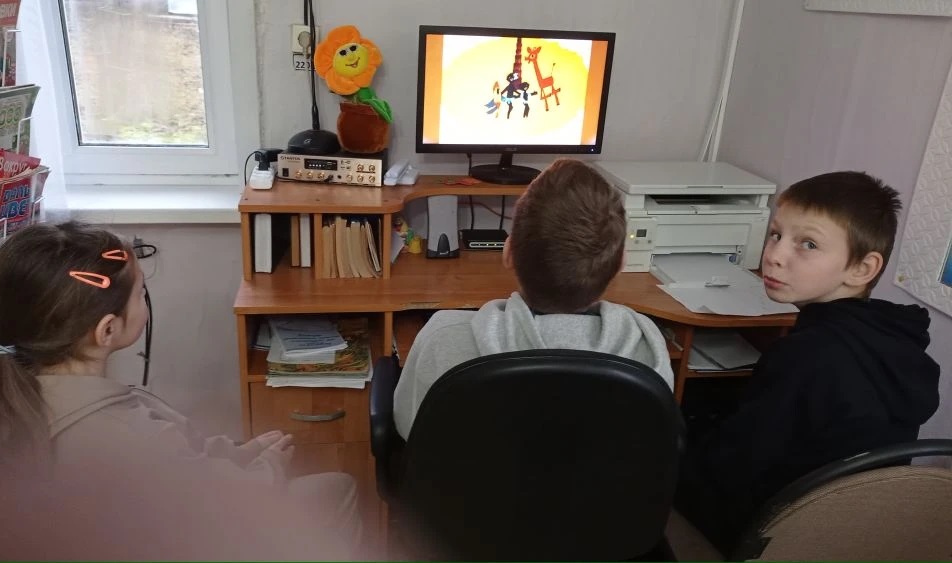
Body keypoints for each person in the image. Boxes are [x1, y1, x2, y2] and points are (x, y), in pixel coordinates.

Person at [0, 222, 361, 560]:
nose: (144, 302)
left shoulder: (2, 403)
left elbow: (184, 463)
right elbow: (221, 499)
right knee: (336, 488)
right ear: (107, 330)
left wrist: (240, 453)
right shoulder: (128, 434)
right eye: (139, 294)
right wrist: (269, 463)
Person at [675, 171, 941, 555]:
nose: (774, 255)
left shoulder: (808, 355)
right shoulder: (897, 343)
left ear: (862, 269)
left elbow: (729, 470)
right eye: (776, 234)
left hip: (768, 532)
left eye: (808, 244)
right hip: (847, 535)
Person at [393, 158, 675, 440]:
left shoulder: (443, 337)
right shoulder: (648, 349)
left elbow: (410, 428)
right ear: (621, 263)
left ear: (508, 253)